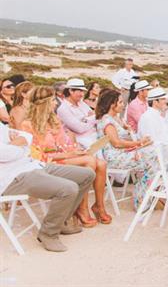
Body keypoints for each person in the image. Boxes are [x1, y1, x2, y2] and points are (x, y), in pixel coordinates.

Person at [21, 86, 111, 227]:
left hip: (63, 156)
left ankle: (99, 206)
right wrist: (70, 153)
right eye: (52, 100)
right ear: (43, 103)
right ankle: (82, 208)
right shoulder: (27, 125)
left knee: (101, 164)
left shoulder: (54, 119)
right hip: (48, 162)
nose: (56, 103)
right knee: (89, 161)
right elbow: (37, 155)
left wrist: (77, 149)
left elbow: (65, 143)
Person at [1, 122, 95, 252]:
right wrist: (21, 146)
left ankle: (62, 221)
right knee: (68, 188)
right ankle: (48, 234)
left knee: (87, 174)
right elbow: (5, 154)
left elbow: (27, 137)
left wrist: (18, 145)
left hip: (34, 165)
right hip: (13, 178)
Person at [95, 89, 158, 210]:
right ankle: (142, 200)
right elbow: (117, 143)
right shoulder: (107, 121)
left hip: (121, 153)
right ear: (112, 104)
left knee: (151, 154)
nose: (123, 105)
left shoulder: (114, 118)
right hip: (114, 157)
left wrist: (138, 143)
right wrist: (139, 143)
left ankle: (145, 196)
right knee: (151, 159)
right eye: (120, 102)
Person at [57, 78, 98, 149]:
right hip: (81, 141)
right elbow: (79, 129)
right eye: (80, 91)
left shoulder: (81, 103)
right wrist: (90, 118)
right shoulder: (63, 109)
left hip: (93, 135)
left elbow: (97, 117)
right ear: (71, 91)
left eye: (83, 92)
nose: (82, 94)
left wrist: (85, 120)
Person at [138, 87, 168, 160]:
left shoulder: (156, 115)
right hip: (155, 157)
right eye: (163, 99)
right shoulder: (148, 117)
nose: (166, 101)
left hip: (163, 153)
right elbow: (152, 142)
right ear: (155, 102)